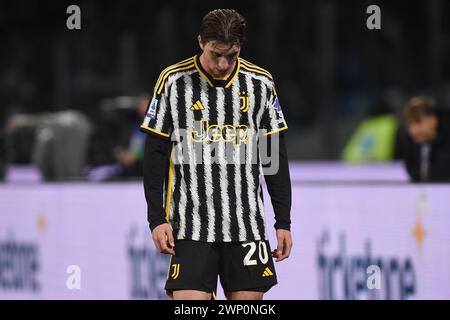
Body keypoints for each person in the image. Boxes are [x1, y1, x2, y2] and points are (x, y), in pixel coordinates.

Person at [140, 9, 292, 300]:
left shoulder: (260, 83)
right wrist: (156, 219)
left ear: (240, 48)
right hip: (191, 227)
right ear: (200, 42)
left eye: (231, 55)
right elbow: (155, 155)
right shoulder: (173, 81)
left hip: (247, 227)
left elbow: (273, 159)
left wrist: (283, 221)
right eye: (215, 54)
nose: (222, 64)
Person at [399, 96, 450, 182]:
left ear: (434, 120)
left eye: (418, 122)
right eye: (410, 124)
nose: (413, 130)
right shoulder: (410, 146)